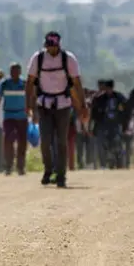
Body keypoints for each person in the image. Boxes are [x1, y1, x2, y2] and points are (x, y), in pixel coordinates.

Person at [26, 31, 86, 188]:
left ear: (58, 45)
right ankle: (48, 169)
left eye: (53, 47)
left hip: (63, 105)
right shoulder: (38, 59)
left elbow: (77, 83)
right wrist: (28, 104)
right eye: (48, 47)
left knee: (61, 141)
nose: (50, 50)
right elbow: (30, 82)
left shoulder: (69, 59)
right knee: (45, 140)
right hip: (44, 104)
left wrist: (83, 105)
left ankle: (61, 174)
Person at [0, 63, 28, 175]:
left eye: (16, 71)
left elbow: (31, 97)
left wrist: (34, 111)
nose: (14, 73)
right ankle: (8, 166)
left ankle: (21, 167)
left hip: (22, 116)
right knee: (8, 141)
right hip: (9, 116)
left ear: (20, 72)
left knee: (22, 142)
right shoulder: (5, 84)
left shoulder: (25, 84)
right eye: (12, 71)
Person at [90, 79, 128, 169]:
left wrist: (124, 123)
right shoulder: (99, 99)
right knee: (102, 144)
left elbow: (126, 109)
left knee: (117, 144)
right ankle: (103, 164)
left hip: (115, 125)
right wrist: (92, 126)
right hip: (102, 126)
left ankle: (119, 164)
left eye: (110, 88)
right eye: (107, 88)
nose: (108, 90)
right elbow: (94, 113)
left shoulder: (119, 97)